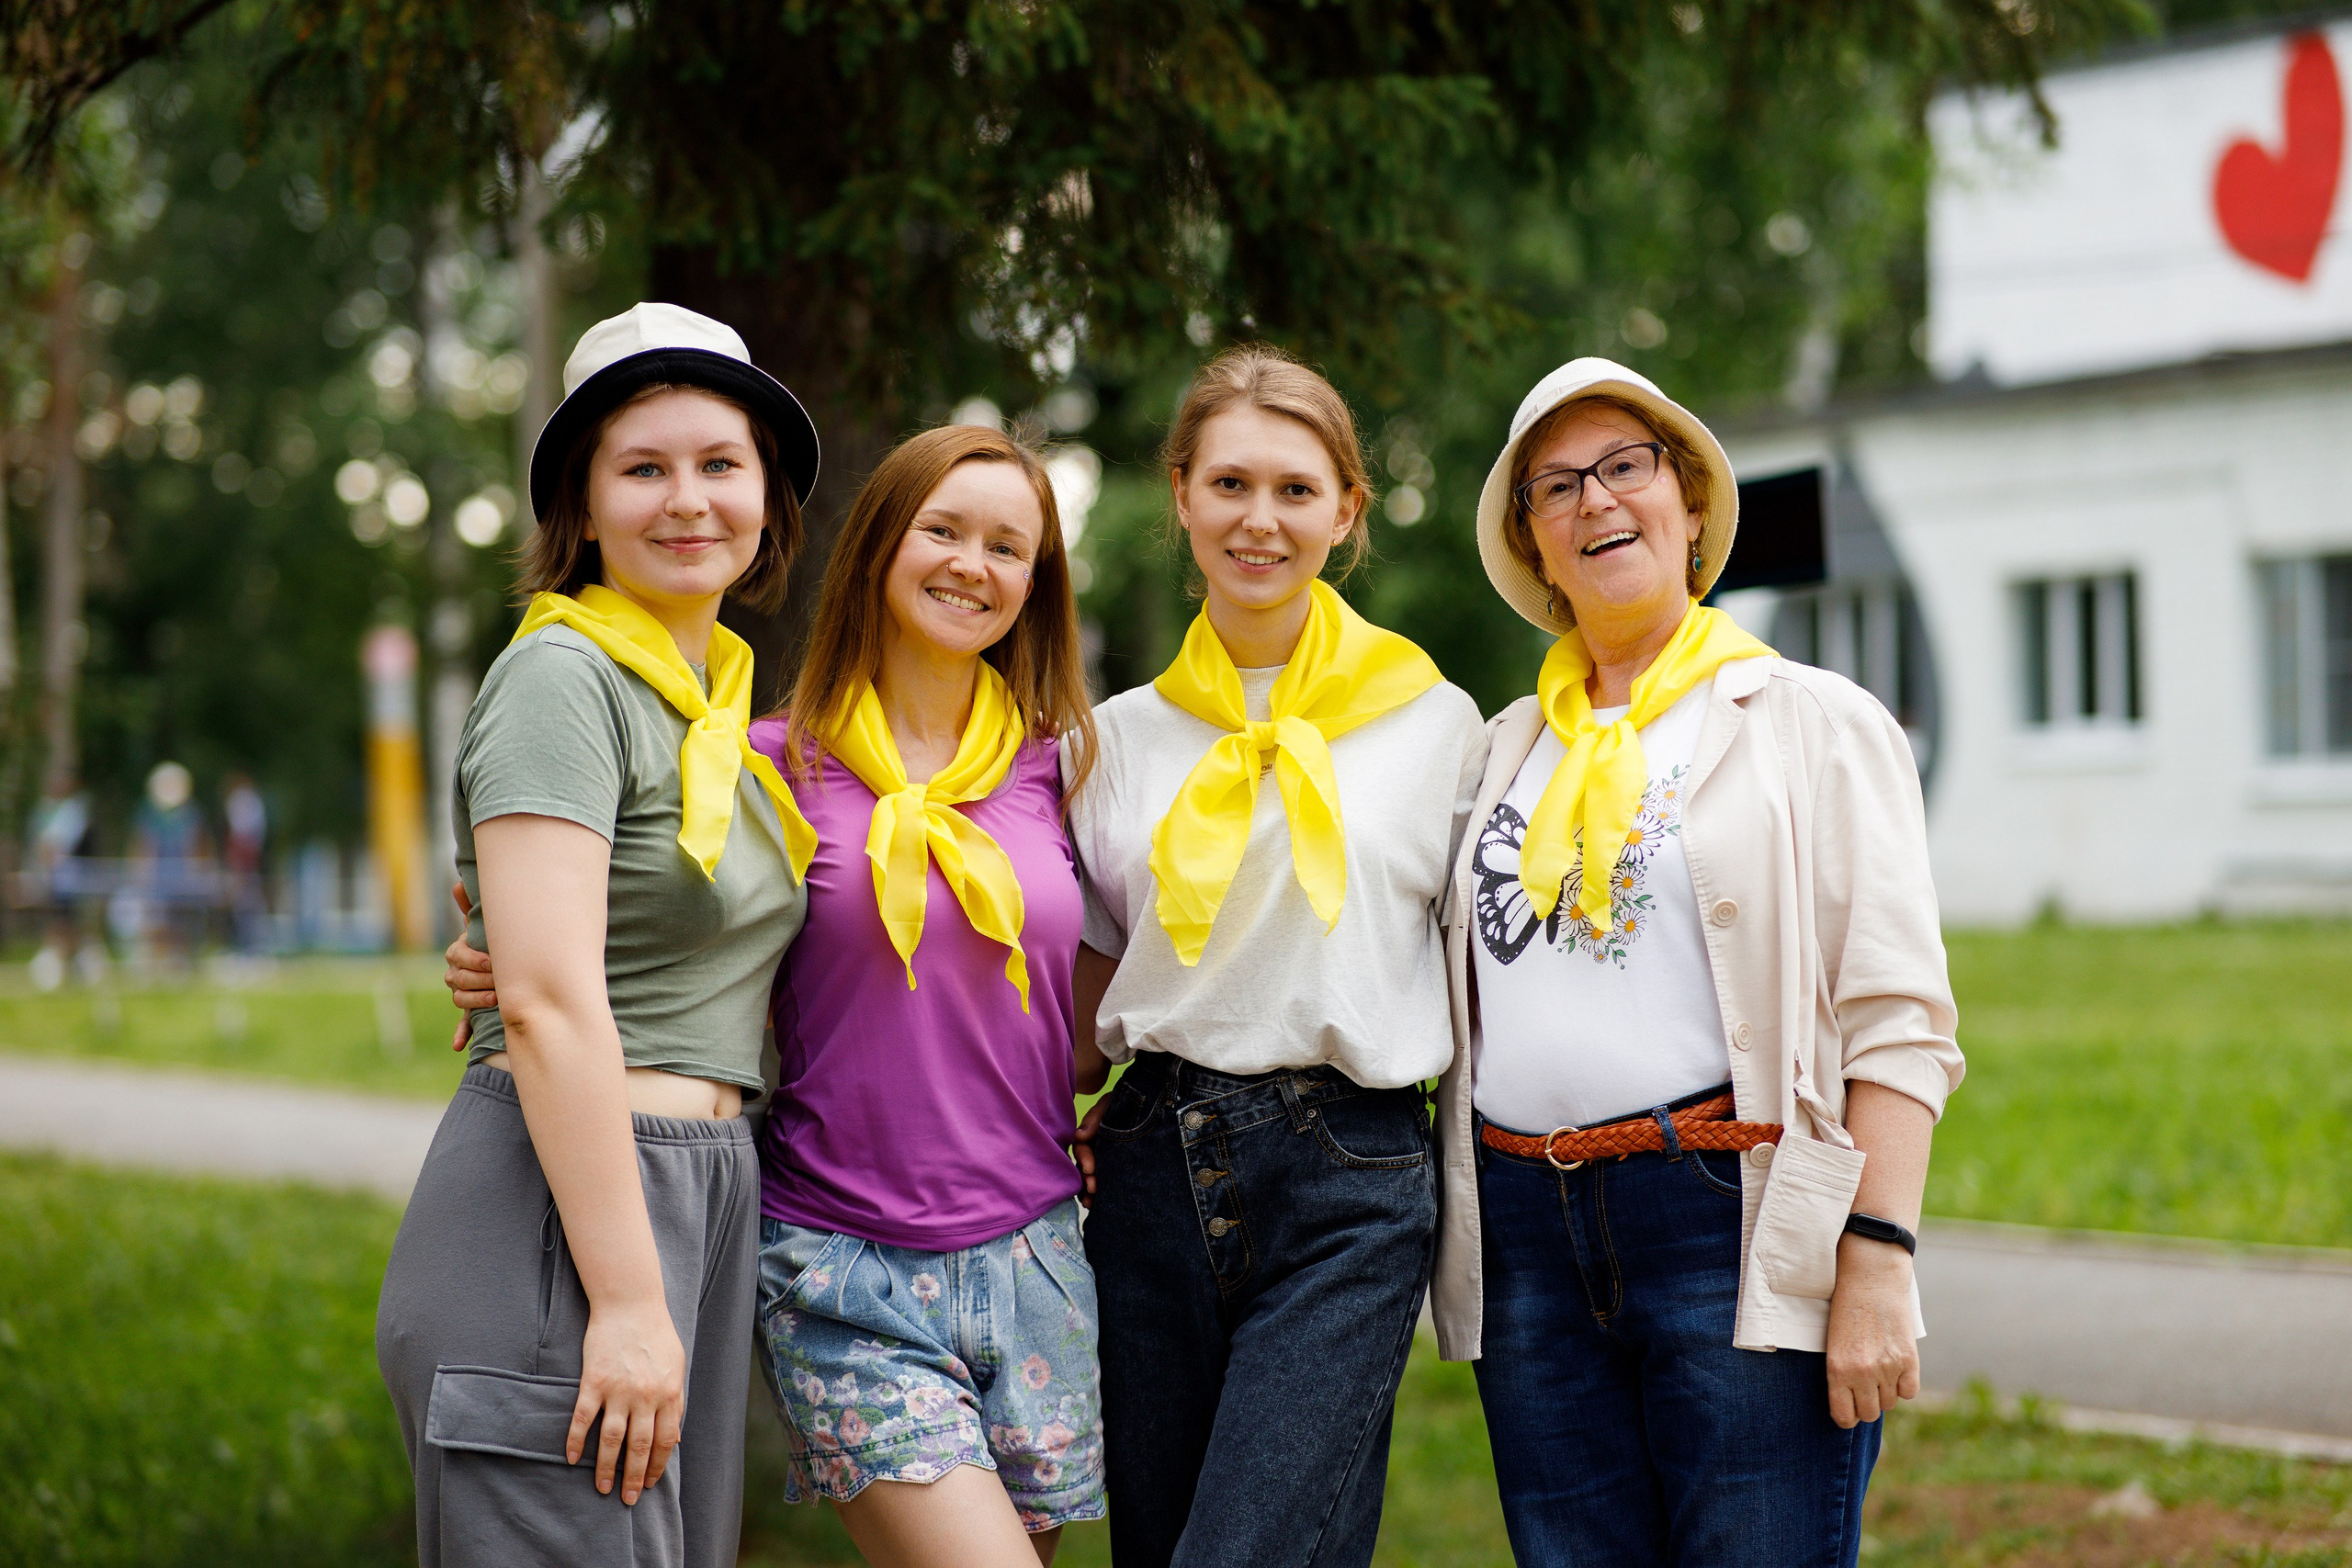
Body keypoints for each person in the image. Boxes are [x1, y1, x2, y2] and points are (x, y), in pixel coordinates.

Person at [443, 423, 1108, 1568]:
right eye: (941, 530)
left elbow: (1107, 995)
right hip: (843, 1259)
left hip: (1038, 1251)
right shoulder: (757, 765)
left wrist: (1130, 1117)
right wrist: (495, 954)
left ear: (1037, 582)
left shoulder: (1069, 769)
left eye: (1009, 546)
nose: (971, 564)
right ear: (877, 548)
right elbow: (675, 940)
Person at [1427, 358, 1962, 1567]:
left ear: (1689, 504)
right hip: (1527, 1231)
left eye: (1628, 465)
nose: (1597, 500)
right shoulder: (1501, 749)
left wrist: (1879, 1256)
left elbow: (1900, 1017)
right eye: (1557, 485)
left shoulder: (1812, 720)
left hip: (1726, 1208)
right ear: (1535, 544)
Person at [377, 301, 823, 1568]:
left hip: (696, 1191)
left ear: (768, 500)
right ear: (580, 507)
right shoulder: (563, 676)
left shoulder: (716, 711)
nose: (687, 499)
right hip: (569, 1205)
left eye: (718, 463)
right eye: (643, 467)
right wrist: (626, 1294)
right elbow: (552, 1003)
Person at [1065, 345, 1487, 1568]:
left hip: (1349, 1172)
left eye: (1296, 490)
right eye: (1231, 484)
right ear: (1183, 492)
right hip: (1148, 1163)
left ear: (1348, 509)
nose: (1261, 519)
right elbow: (1082, 967)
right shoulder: (1116, 738)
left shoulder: (1436, 722)